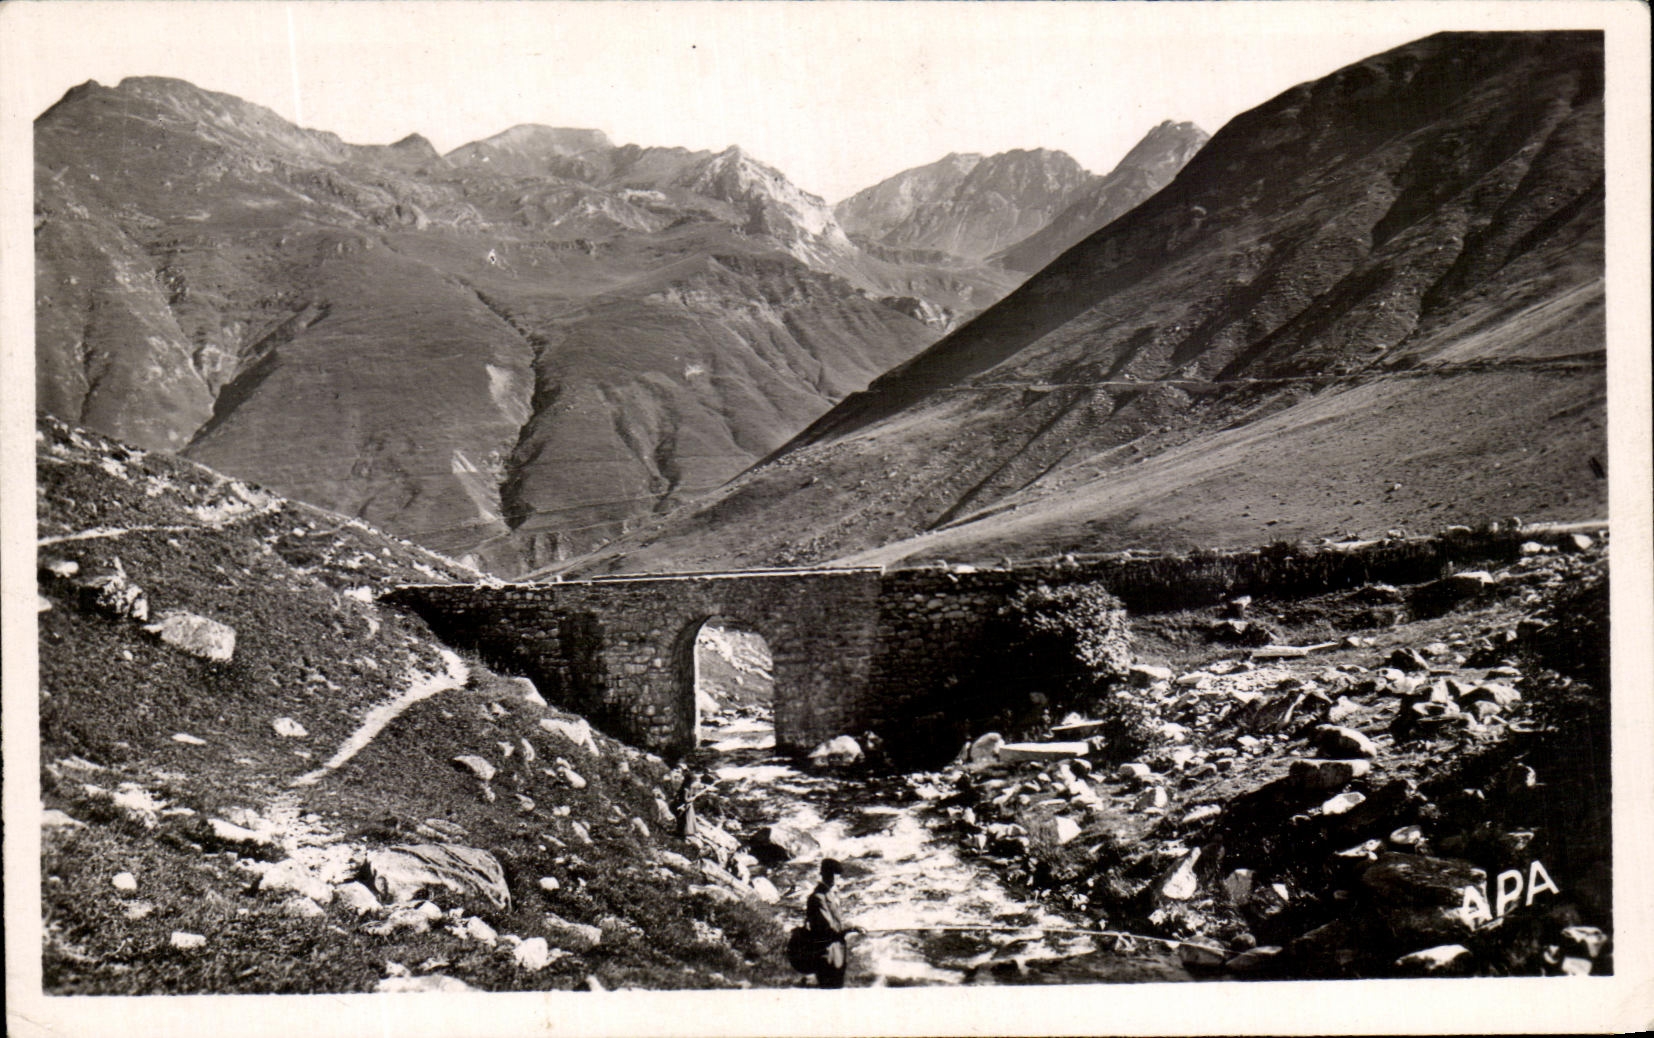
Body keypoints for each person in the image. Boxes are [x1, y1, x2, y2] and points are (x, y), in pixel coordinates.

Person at [804, 858, 859, 988]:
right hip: (826, 953)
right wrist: (851, 928)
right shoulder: (818, 898)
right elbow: (828, 926)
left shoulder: (830, 895)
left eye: (836, 877)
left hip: (835, 951)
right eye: (831, 876)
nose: (834, 880)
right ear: (823, 874)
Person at [674, 770, 710, 840]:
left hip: (688, 806)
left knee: (687, 819)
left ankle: (684, 833)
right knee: (686, 819)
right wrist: (693, 798)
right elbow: (686, 800)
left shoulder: (687, 788)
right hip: (686, 806)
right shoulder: (686, 789)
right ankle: (683, 834)